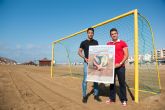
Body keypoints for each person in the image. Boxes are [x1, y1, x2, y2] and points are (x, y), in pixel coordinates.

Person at [78, 27, 101, 103]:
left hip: (94, 63)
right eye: (89, 33)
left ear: (93, 34)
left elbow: (98, 52)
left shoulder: (96, 42)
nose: (90, 34)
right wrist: (85, 58)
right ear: (87, 33)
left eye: (92, 33)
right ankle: (84, 96)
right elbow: (79, 52)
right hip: (86, 63)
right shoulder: (83, 42)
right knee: (85, 80)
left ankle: (96, 96)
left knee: (95, 79)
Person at [106, 28, 129, 106]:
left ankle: (123, 99)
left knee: (122, 83)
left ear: (117, 34)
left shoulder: (122, 42)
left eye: (115, 33)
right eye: (112, 34)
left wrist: (120, 63)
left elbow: (126, 55)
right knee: (112, 83)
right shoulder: (108, 44)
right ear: (110, 35)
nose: (114, 35)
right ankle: (112, 98)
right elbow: (106, 55)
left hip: (121, 66)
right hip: (112, 67)